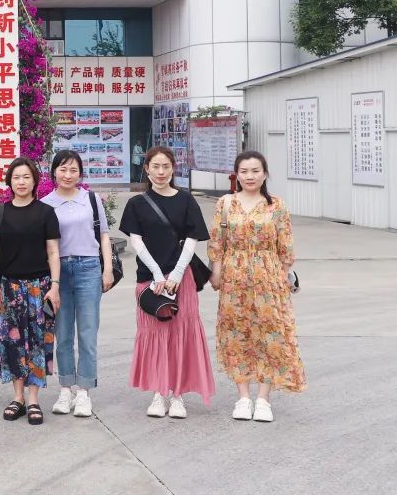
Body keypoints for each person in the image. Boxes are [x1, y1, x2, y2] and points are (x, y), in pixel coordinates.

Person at [209, 151, 306, 422]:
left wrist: (283, 278)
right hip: (234, 278)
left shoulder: (277, 205)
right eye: (244, 171)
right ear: (236, 175)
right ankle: (243, 397)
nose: (250, 176)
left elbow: (286, 246)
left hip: (269, 278)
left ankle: (263, 398)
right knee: (236, 334)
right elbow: (217, 241)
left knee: (270, 335)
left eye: (255, 171)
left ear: (265, 174)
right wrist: (216, 273)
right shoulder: (226, 203)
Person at [119, 146, 215, 419]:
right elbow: (136, 242)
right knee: (155, 334)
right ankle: (159, 393)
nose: (161, 172)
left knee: (181, 335)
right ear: (146, 169)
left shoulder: (186, 200)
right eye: (155, 166)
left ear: (173, 168)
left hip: (181, 280)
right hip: (150, 281)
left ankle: (178, 395)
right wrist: (158, 275)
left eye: (166, 166)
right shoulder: (137, 204)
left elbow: (192, 239)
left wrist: (176, 274)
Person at [0, 157, 62, 425]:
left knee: (38, 342)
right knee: (13, 343)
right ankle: (17, 397)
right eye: (16, 177)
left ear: (34, 181)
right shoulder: (0, 213)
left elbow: (53, 252)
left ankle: (33, 399)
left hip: (40, 288)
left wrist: (55, 286)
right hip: (9, 288)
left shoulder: (46, 212)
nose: (21, 182)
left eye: (26, 177)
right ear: (10, 181)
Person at [41, 150, 115, 418]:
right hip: (59, 272)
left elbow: (104, 236)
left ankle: (84, 391)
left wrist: (107, 269)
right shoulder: (45, 204)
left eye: (73, 170)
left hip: (88, 268)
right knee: (62, 333)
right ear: (54, 172)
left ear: (80, 173)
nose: (68, 175)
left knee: (87, 331)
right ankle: (65, 389)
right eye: (63, 169)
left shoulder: (91, 199)